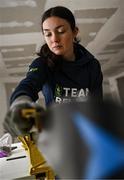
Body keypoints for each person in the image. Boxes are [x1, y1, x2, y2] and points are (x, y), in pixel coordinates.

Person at [3, 6, 103, 137]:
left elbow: (97, 105)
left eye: (61, 31)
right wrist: (21, 104)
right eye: (48, 34)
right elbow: (28, 85)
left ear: (74, 31)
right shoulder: (42, 64)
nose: (54, 39)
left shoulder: (92, 65)